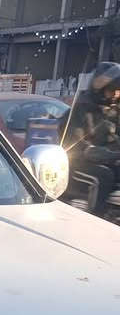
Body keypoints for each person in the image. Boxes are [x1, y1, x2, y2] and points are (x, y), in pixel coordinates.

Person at [63, 61, 120, 216]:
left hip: (102, 160)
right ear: (100, 89)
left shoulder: (110, 111)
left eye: (118, 91)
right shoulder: (82, 108)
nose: (115, 95)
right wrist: (112, 154)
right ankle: (96, 219)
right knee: (104, 176)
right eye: (112, 90)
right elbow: (82, 148)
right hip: (76, 163)